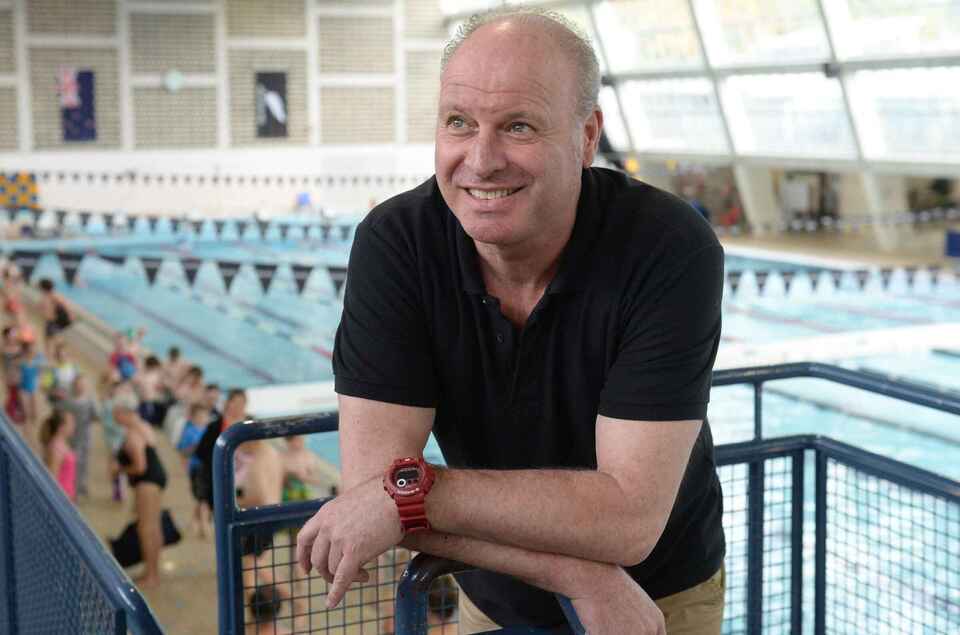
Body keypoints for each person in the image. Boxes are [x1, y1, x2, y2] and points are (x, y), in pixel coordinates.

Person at [296, 8, 724, 635]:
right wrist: (578, 575)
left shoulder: (666, 247)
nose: (481, 159)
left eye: (518, 126)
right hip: (495, 597)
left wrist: (414, 494)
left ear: (586, 136)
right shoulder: (398, 244)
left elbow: (629, 519)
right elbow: (370, 486)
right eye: (459, 123)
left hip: (654, 600)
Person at [114, 389, 168, 588]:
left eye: (116, 412)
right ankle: (153, 571)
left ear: (124, 412)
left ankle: (151, 575)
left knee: (146, 528)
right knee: (154, 526)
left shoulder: (132, 434)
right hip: (156, 478)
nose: (114, 417)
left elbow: (140, 466)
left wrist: (120, 469)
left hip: (147, 481)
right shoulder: (143, 426)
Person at [176, 402, 211, 538]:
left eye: (204, 416)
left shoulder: (208, 430)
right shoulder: (189, 431)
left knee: (203, 497)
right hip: (197, 468)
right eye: (199, 416)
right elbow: (183, 452)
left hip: (207, 468)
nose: (202, 419)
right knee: (203, 498)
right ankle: (204, 526)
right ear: (192, 417)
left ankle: (194, 522)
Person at [62, 374, 99, 499]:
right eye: (79, 385)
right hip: (72, 438)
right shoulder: (68, 402)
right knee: (75, 463)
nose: (81, 387)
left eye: (83, 385)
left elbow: (96, 416)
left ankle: (82, 485)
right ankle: (74, 490)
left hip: (86, 437)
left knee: (84, 463)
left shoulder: (90, 401)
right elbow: (64, 418)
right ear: (74, 386)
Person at [40, 409, 77, 501]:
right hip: (60, 499)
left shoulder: (61, 445)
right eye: (71, 423)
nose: (74, 426)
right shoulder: (56, 448)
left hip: (66, 498)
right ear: (61, 427)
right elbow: (52, 479)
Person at [38, 278, 73, 357]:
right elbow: (66, 305)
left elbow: (48, 312)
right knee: (51, 338)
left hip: (53, 321)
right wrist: (70, 315)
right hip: (57, 321)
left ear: (42, 288)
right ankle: (56, 354)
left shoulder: (49, 296)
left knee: (50, 339)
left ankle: (51, 356)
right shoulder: (54, 295)